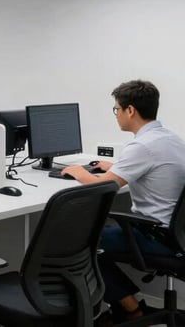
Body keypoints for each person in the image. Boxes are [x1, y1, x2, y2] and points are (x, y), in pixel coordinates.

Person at [62, 80, 185, 324]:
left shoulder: (142, 146)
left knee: (74, 241)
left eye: (117, 109)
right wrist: (116, 167)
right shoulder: (170, 139)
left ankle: (130, 307)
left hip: (157, 237)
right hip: (178, 234)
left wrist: (77, 171)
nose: (116, 115)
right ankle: (128, 301)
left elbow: (104, 186)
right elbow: (148, 169)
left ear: (130, 110)